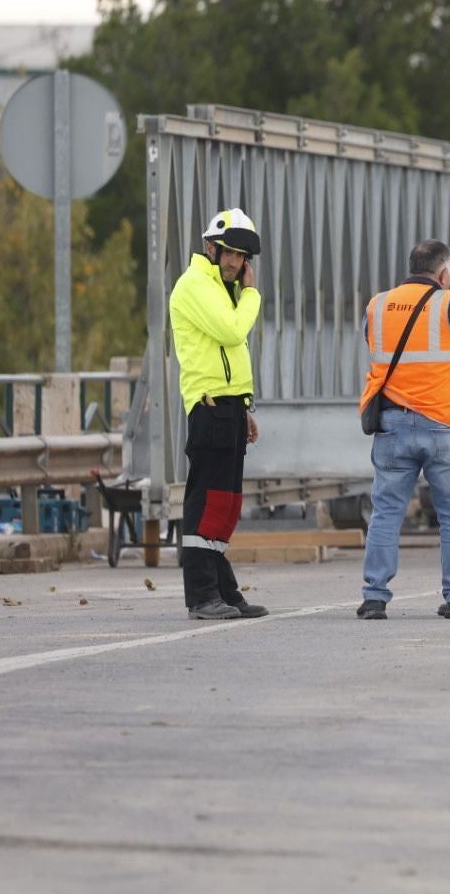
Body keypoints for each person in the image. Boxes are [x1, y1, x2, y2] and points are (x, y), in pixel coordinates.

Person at [356, 239, 450, 621]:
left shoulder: (377, 305)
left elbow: (372, 343)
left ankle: (374, 597)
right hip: (445, 424)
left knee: (386, 513)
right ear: (444, 273)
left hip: (393, 424)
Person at [168, 207, 268, 620]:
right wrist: (252, 294)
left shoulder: (224, 292)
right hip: (208, 409)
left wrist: (245, 405)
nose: (234, 262)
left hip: (228, 407)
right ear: (210, 247)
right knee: (205, 502)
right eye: (228, 252)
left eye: (242, 256)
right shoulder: (195, 285)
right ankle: (201, 596)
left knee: (225, 504)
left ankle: (224, 590)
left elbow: (231, 357)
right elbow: (232, 332)